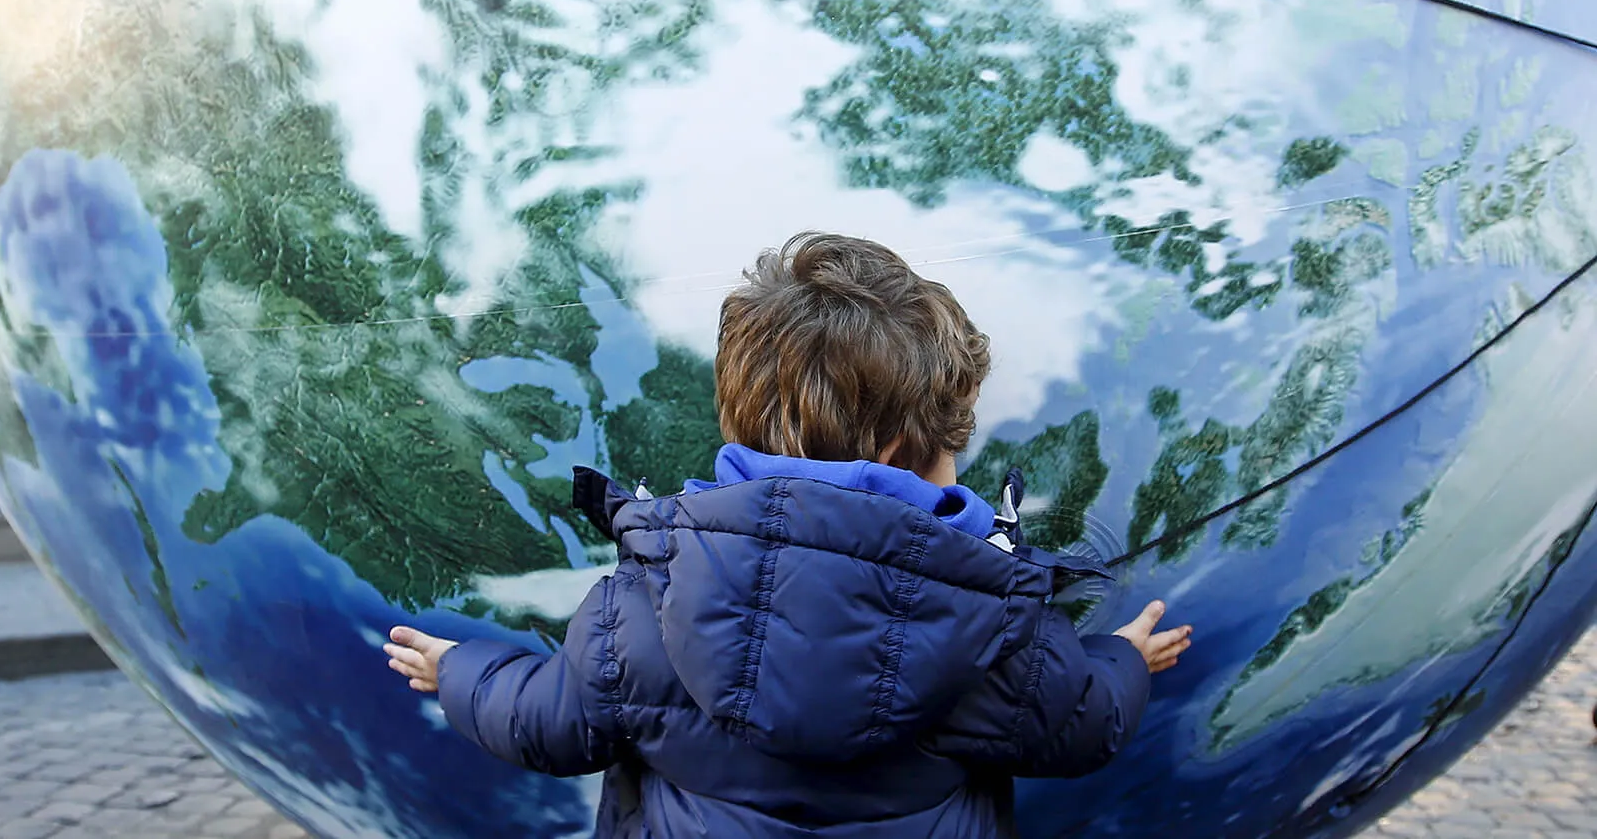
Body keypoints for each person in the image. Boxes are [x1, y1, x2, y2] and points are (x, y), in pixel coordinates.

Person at [385, 231, 1192, 837]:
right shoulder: (1001, 632)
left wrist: (458, 669)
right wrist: (1125, 655)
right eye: (953, 443)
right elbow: (1086, 725)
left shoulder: (641, 607)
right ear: (897, 452)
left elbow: (545, 721)